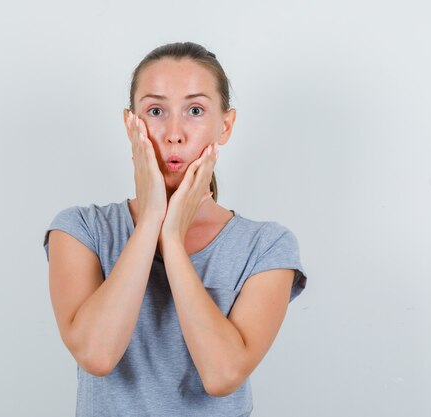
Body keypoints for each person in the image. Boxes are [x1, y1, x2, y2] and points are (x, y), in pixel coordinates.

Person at [42, 41, 308, 417]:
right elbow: (96, 355)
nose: (174, 133)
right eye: (155, 110)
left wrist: (173, 241)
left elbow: (222, 375)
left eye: (195, 110)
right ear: (129, 123)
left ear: (225, 125)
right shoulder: (80, 229)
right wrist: (151, 220)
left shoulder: (267, 246)